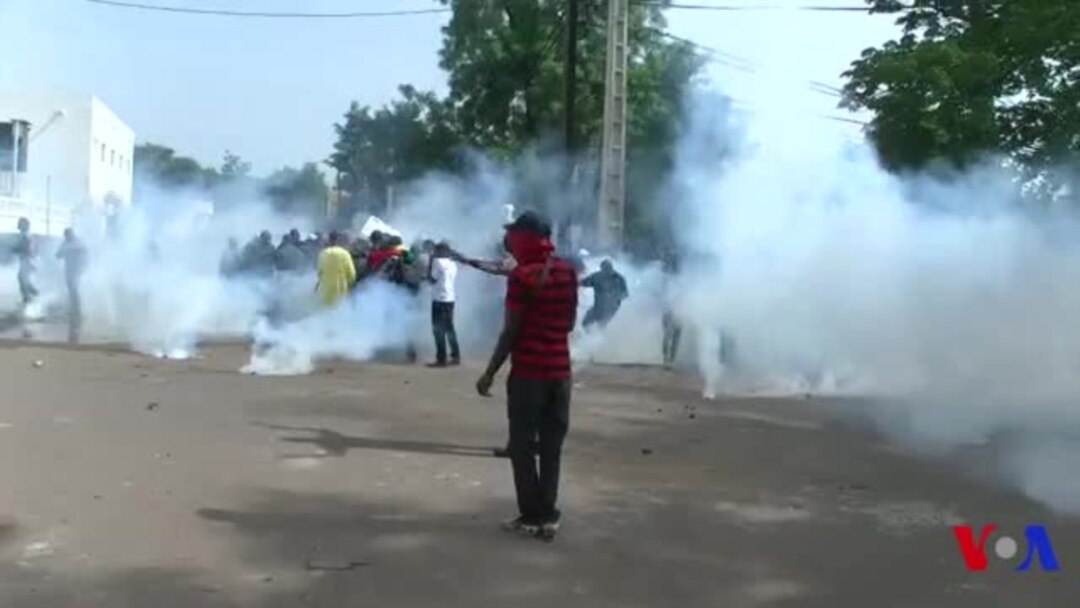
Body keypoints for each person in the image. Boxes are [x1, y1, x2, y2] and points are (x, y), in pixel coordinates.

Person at [475, 211, 578, 539]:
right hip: (560, 375)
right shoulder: (567, 272)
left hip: (529, 375)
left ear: (526, 237)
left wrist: (490, 372)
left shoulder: (522, 277)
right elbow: (571, 323)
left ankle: (531, 515)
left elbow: (510, 332)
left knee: (521, 447)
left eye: (515, 234)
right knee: (551, 447)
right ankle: (548, 514)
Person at [427, 242, 460, 367]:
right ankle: (455, 355)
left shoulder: (437, 262)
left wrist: (430, 262)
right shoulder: (452, 263)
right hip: (450, 298)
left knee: (438, 330)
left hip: (439, 299)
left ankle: (441, 358)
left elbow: (432, 279)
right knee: (449, 328)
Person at [56, 228, 88, 343]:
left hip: (75, 270)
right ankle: (75, 310)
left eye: (68, 235)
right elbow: (58, 255)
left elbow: (85, 255)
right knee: (72, 290)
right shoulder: (68, 243)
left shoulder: (76, 243)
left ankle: (77, 311)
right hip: (70, 270)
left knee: (74, 289)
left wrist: (83, 266)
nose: (68, 237)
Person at [580, 259, 629, 330]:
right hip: (598, 307)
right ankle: (589, 338)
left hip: (611, 308)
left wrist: (616, 298)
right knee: (586, 323)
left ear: (611, 268)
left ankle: (603, 339)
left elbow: (625, 293)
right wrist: (575, 281)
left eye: (608, 269)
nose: (607, 272)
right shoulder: (597, 277)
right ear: (602, 269)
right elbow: (585, 282)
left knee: (602, 325)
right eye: (605, 269)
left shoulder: (619, 278)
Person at [315, 231, 356, 308]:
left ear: (329, 240)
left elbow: (319, 273)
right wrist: (349, 285)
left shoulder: (322, 254)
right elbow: (352, 274)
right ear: (338, 240)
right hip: (341, 290)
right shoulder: (345, 253)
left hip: (326, 292)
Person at [661, 250, 682, 369]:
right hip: (670, 309)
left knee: (673, 336)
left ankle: (669, 360)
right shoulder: (667, 279)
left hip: (677, 309)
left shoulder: (669, 278)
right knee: (671, 335)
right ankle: (668, 360)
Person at [12, 217, 37, 307]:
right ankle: (31, 296)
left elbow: (25, 246)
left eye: (20, 223)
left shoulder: (26, 235)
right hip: (27, 259)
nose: (18, 225)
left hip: (27, 260)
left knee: (22, 278)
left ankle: (30, 297)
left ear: (25, 225)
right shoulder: (25, 234)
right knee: (23, 279)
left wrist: (16, 249)